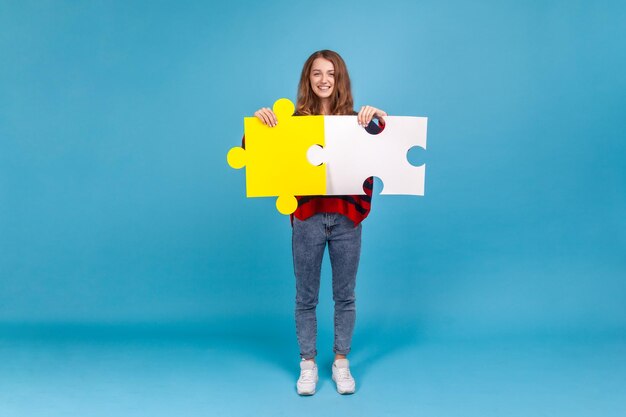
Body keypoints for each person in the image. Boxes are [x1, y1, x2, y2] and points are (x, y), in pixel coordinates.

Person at [253, 50, 387, 395]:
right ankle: (308, 364)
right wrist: (259, 124)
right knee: (306, 296)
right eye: (317, 73)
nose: (324, 79)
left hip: (347, 220)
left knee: (345, 296)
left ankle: (341, 362)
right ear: (308, 79)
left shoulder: (358, 121)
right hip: (307, 220)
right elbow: (252, 153)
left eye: (331, 73)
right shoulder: (293, 121)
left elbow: (387, 144)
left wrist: (380, 120)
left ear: (339, 79)